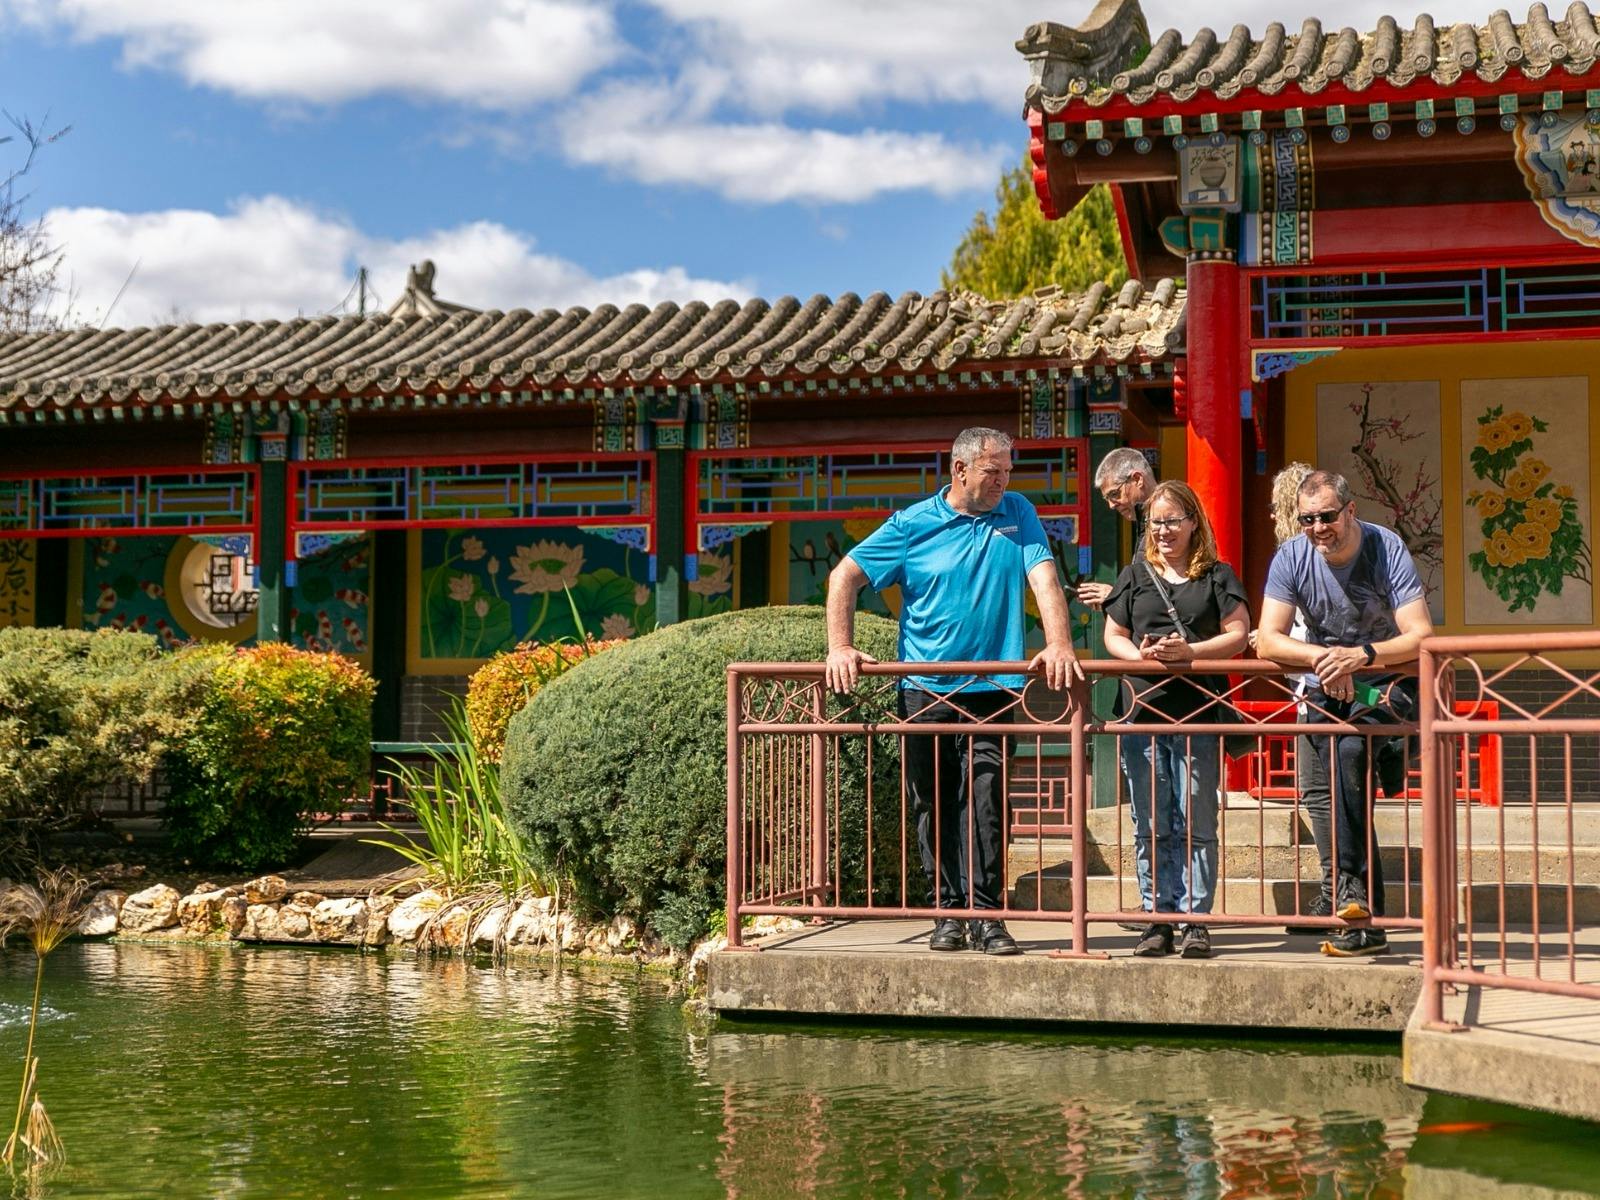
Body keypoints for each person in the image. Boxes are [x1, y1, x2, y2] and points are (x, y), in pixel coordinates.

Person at [825, 427, 1083, 956]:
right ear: (960, 469)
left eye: (1008, 470)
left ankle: (987, 916)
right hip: (925, 689)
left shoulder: (1018, 512)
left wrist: (1059, 643)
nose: (1003, 481)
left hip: (993, 686)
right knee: (933, 803)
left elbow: (1044, 579)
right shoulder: (912, 525)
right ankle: (946, 912)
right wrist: (840, 647)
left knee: (986, 800)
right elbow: (843, 577)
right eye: (993, 471)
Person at [1255, 470, 1434, 957]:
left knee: (1350, 750)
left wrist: (1361, 657)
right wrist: (1324, 659)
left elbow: (1420, 635)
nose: (1318, 528)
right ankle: (1354, 908)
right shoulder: (1291, 556)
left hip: (1386, 682)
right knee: (1325, 789)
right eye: (1307, 519)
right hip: (1327, 683)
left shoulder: (1385, 548)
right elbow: (1267, 640)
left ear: (1350, 511)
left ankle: (1355, 896)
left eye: (1328, 517)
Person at [1102, 480, 1249, 959]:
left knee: (1196, 818)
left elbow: (1238, 634)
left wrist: (1191, 653)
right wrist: (1139, 657)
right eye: (1155, 522)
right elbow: (1113, 634)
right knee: (1150, 821)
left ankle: (1195, 920)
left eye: (1172, 521)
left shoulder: (1218, 576)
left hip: (1198, 712)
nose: (1163, 531)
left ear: (1193, 523)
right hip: (1142, 712)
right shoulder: (1135, 574)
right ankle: (1156, 917)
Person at [1077, 446, 1157, 610]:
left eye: (1114, 494)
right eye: (1107, 498)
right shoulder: (1146, 523)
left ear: (1137, 479)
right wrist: (1115, 604)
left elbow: (1176, 590)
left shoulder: (1168, 523)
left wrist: (1116, 596)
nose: (1111, 505)